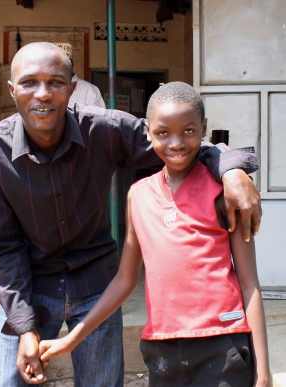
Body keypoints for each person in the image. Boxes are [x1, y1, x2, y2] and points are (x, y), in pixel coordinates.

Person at [0, 42, 261, 387]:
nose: (43, 94)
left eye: (56, 82)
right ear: (12, 89)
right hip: (30, 284)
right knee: (7, 382)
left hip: (95, 280)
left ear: (72, 88)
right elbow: (3, 247)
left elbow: (178, 141)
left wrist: (232, 171)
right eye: (30, 82)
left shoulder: (103, 130)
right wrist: (24, 326)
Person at [38, 82, 270, 387]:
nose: (176, 143)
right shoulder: (139, 195)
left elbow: (249, 283)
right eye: (163, 133)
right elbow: (124, 280)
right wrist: (72, 338)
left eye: (188, 131)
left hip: (223, 342)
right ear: (148, 132)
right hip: (162, 348)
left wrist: (263, 373)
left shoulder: (224, 192)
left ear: (204, 128)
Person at [54, 43, 106, 108]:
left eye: (60, 63)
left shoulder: (89, 90)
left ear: (71, 63)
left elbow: (97, 117)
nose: (56, 67)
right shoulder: (46, 90)